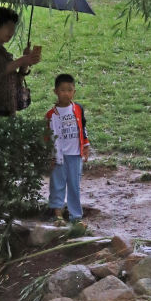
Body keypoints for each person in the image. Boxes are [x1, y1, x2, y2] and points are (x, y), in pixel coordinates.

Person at [44, 73, 90, 225]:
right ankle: (58, 215)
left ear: (74, 92)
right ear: (55, 91)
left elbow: (83, 127)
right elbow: (47, 136)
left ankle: (75, 216)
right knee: (57, 184)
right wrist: (49, 155)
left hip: (75, 155)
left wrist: (86, 145)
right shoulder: (51, 115)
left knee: (74, 185)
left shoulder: (78, 109)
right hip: (58, 156)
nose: (66, 93)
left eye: (69, 90)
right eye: (62, 90)